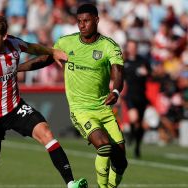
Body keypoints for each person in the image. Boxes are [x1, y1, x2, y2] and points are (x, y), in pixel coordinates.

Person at [0, 14, 87, 188]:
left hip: (15, 108)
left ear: (4, 36)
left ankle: (71, 183)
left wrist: (53, 52)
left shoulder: (14, 44)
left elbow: (34, 48)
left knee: (46, 133)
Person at [18, 4, 128, 188]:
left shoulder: (109, 46)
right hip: (81, 110)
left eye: (86, 21)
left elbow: (118, 73)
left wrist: (115, 91)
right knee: (103, 145)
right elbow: (44, 60)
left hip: (104, 109)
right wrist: (17, 68)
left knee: (121, 162)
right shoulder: (65, 43)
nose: (82, 25)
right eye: (79, 22)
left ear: (97, 20)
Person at [123, 40, 151, 158]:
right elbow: (121, 79)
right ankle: (130, 135)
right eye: (130, 47)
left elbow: (151, 73)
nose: (132, 49)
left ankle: (137, 146)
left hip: (142, 96)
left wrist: (147, 73)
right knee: (134, 119)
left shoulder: (143, 61)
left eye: (134, 47)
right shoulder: (125, 63)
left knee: (139, 124)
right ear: (128, 48)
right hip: (130, 96)